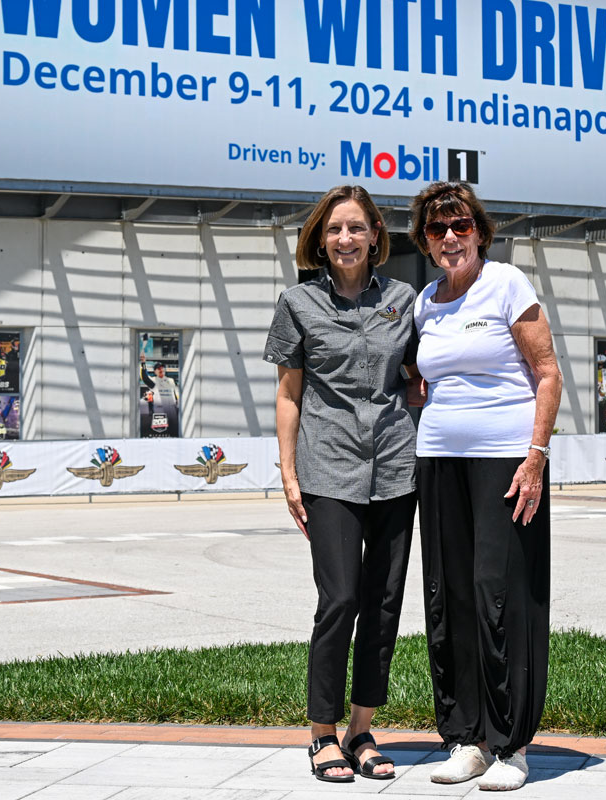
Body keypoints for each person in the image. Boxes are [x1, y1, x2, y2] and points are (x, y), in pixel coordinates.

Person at [407, 181, 562, 792]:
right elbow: (424, 378)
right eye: (437, 229)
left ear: (480, 231)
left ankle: (511, 745)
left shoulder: (508, 284)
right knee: (451, 598)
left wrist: (536, 458)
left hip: (504, 461)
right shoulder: (425, 301)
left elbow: (547, 375)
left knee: (501, 594)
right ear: (424, 240)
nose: (450, 238)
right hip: (439, 458)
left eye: (460, 226)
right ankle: (465, 737)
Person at [264, 185, 419, 784]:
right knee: (340, 600)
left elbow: (419, 371)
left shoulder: (404, 299)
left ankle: (361, 730)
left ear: (376, 234)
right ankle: (321, 733)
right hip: (328, 467)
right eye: (334, 230)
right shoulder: (297, 303)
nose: (346, 239)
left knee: (383, 605)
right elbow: (288, 394)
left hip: (395, 467)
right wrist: (288, 472)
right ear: (319, 240)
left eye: (356, 228)